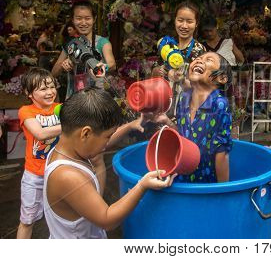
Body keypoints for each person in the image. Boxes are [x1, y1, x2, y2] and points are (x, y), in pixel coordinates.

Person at [44, 88, 175, 238]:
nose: (107, 143)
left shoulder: (68, 149)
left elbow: (100, 144)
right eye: (107, 136)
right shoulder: (66, 176)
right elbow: (107, 219)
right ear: (85, 133)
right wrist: (141, 186)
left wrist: (131, 125)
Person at [154, 52, 233, 183]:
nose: (199, 61)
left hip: (205, 182)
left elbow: (221, 154)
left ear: (222, 78)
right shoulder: (184, 99)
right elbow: (183, 135)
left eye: (208, 60)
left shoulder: (219, 104)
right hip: (181, 174)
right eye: (197, 58)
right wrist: (167, 121)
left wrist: (222, 193)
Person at [16, 68, 61, 238]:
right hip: (35, 176)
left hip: (58, 174)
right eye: (43, 89)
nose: (50, 92)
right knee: (27, 221)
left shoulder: (61, 108)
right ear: (29, 93)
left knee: (60, 220)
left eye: (51, 86)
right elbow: (40, 134)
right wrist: (70, 124)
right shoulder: (25, 111)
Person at [51, 0, 116, 99]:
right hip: (74, 99)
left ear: (94, 19)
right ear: (72, 20)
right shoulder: (70, 44)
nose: (83, 22)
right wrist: (63, 64)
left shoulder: (103, 42)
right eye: (79, 18)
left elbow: (112, 64)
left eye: (87, 18)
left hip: (96, 99)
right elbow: (53, 73)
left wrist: (104, 66)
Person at [152, 1, 206, 114]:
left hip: (187, 110)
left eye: (189, 21)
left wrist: (181, 78)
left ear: (196, 23)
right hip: (163, 107)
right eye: (180, 20)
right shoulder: (167, 45)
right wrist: (157, 71)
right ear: (175, 20)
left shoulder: (199, 50)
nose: (184, 26)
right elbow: (155, 71)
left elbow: (201, 85)